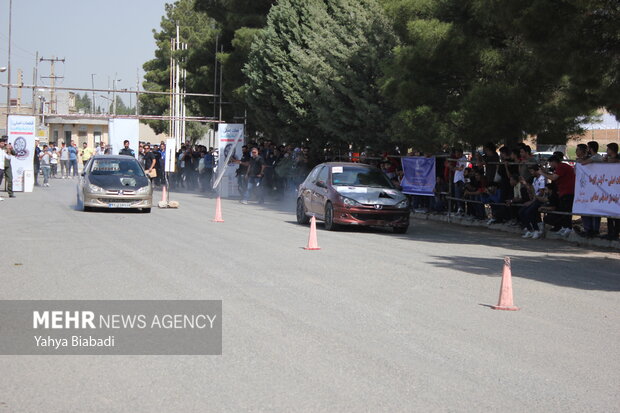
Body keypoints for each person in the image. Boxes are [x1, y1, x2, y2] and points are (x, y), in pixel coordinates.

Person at [541, 155, 575, 236]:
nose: (550, 165)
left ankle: (568, 228)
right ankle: (564, 227)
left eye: (550, 163)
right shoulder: (559, 168)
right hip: (563, 192)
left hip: (568, 192)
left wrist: (542, 173)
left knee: (567, 210)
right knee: (563, 210)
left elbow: (553, 177)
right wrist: (544, 171)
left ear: (554, 162)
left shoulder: (561, 166)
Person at [451, 147, 467, 215]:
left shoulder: (463, 159)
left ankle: (461, 210)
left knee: (459, 195)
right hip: (457, 179)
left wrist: (453, 167)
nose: (456, 154)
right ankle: (459, 209)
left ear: (460, 153)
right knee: (457, 196)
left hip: (460, 179)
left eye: (457, 153)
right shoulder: (459, 159)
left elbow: (461, 168)